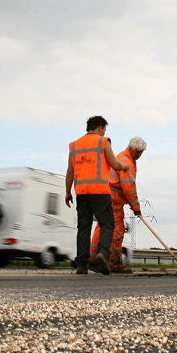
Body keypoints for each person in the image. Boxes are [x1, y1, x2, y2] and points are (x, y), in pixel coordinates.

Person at [66, 116, 130, 275]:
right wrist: (124, 167)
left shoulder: (74, 145)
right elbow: (114, 164)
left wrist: (67, 192)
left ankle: (81, 265)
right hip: (100, 192)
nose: (104, 133)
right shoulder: (103, 142)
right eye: (104, 130)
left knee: (83, 228)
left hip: (81, 193)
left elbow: (70, 172)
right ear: (100, 128)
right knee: (108, 224)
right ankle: (103, 254)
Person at [92, 136, 146, 274]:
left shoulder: (122, 157)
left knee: (102, 227)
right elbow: (128, 186)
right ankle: (115, 264)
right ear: (131, 148)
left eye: (141, 152)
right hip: (114, 200)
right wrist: (135, 206)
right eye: (138, 152)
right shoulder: (126, 161)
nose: (139, 155)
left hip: (105, 196)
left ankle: (92, 259)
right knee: (117, 231)